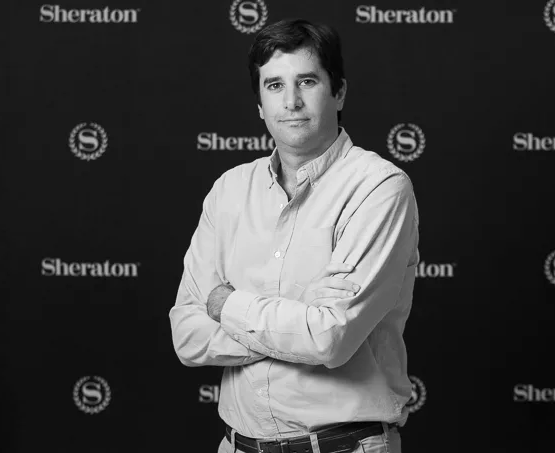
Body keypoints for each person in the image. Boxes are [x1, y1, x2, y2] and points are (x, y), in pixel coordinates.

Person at [169, 18, 419, 453]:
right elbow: (187, 335)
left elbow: (330, 338)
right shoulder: (230, 190)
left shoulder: (379, 187)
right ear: (259, 105)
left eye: (307, 81)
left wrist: (227, 304)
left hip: (344, 446)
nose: (291, 101)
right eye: (274, 86)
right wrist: (299, 322)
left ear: (339, 92)